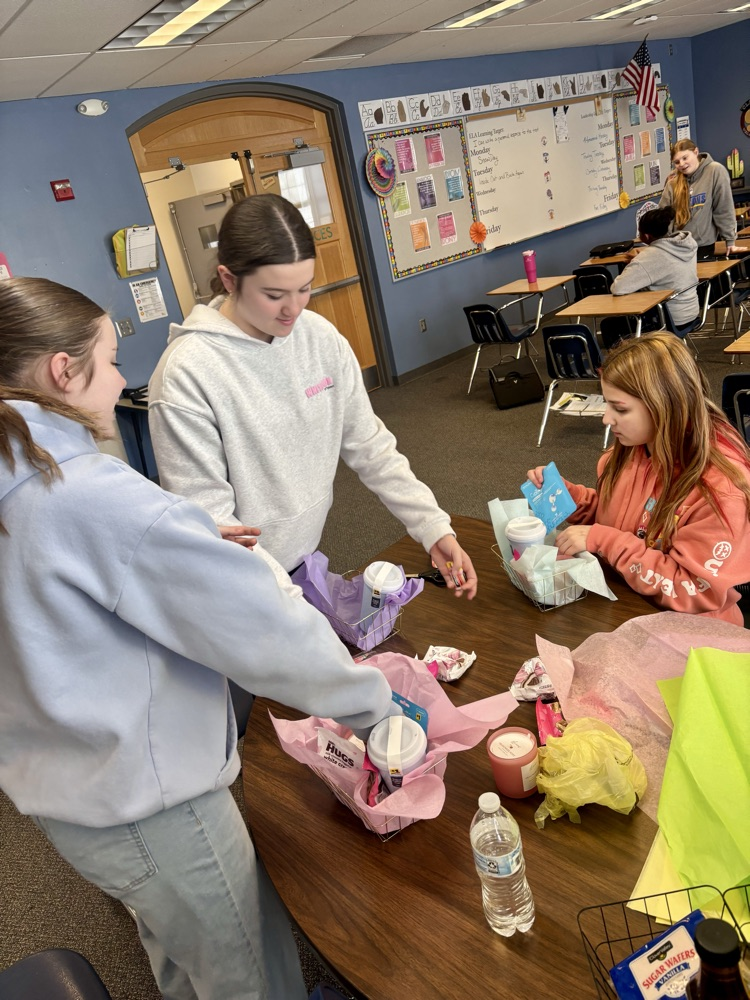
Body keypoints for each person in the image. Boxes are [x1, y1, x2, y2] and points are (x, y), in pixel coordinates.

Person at [0, 276, 396, 1000]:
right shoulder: (91, 494)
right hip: (152, 805)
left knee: (183, 953)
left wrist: (168, 542)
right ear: (63, 371)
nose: (122, 379)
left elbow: (48, 578)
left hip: (67, 792)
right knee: (246, 969)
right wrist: (375, 704)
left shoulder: (22, 480)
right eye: (112, 359)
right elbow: (257, 627)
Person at [148, 193, 477, 600]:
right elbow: (212, 519)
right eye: (274, 295)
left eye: (304, 289)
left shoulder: (318, 337)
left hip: (303, 563)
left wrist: (432, 528)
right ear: (229, 279)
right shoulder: (187, 373)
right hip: (236, 582)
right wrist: (289, 604)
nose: (293, 309)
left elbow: (369, 445)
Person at [528, 333, 750, 625]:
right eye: (607, 404)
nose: (606, 419)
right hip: (627, 603)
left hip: (692, 633)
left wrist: (606, 541)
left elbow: (690, 590)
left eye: (620, 409)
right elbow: (626, 519)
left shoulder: (720, 492)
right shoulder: (634, 449)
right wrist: (571, 498)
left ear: (665, 407)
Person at [611, 206, 699, 333]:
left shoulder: (649, 258)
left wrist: (637, 263)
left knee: (610, 327)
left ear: (646, 236)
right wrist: (641, 260)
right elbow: (660, 263)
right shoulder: (687, 245)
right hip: (691, 311)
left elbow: (618, 288)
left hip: (669, 319)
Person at [658, 139, 742, 256]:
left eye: (685, 158)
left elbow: (723, 208)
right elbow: (662, 216)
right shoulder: (672, 181)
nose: (681, 164)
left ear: (696, 152)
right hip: (675, 248)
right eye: (677, 162)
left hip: (703, 246)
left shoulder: (715, 171)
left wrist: (730, 240)